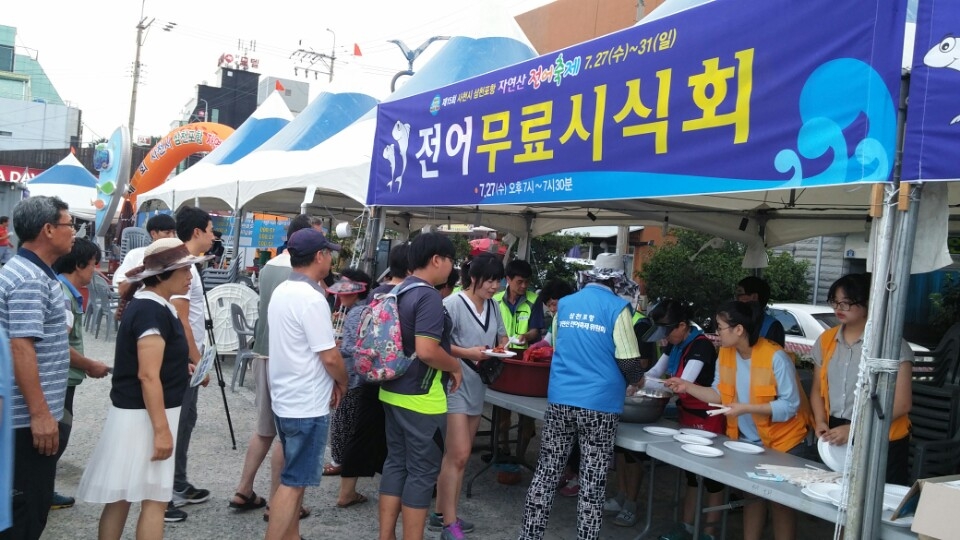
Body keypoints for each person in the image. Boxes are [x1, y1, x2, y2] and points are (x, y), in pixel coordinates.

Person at [77, 238, 209, 540]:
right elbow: (148, 375)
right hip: (147, 416)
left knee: (123, 495)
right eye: (184, 270)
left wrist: (180, 366)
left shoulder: (153, 305)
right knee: (154, 499)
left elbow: (154, 365)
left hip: (139, 413)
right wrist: (162, 430)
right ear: (163, 275)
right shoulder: (152, 309)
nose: (190, 276)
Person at [665, 301, 812, 540]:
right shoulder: (726, 353)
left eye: (720, 327)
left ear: (739, 330)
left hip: (785, 443)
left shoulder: (776, 357)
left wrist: (746, 408)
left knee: (781, 504)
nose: (716, 333)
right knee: (752, 496)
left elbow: (790, 405)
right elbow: (719, 395)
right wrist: (687, 387)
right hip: (750, 442)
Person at [517, 266, 645, 540]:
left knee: (546, 474)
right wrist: (638, 380)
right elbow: (629, 360)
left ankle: (529, 536)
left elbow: (559, 346)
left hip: (562, 400)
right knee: (592, 483)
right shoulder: (618, 308)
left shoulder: (564, 305)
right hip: (600, 406)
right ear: (615, 282)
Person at [230, 214, 320, 522]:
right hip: (287, 360)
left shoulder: (269, 267)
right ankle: (280, 502)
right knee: (284, 435)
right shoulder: (301, 277)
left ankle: (244, 488)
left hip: (262, 351)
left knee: (264, 429)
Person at [378, 232, 463, 540]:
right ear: (437, 260)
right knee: (423, 473)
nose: (452, 267)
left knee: (396, 464)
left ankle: (385, 536)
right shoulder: (427, 295)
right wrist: (454, 366)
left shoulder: (400, 289)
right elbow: (427, 350)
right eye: (451, 260)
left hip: (392, 388)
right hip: (422, 398)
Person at [0, 196, 74, 540]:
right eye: (69, 224)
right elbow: (21, 347)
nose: (74, 233)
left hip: (20, 416)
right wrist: (41, 415)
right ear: (48, 229)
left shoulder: (25, 270)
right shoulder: (30, 277)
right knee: (26, 512)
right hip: (23, 420)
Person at [266, 228, 348, 540]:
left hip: (286, 397)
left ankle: (291, 536)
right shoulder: (312, 298)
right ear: (319, 256)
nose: (329, 257)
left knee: (294, 477)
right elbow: (330, 356)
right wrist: (344, 381)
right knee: (294, 481)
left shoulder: (283, 291)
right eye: (328, 253)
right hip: (306, 402)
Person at [810, 273, 913, 484]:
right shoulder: (826, 340)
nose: (839, 308)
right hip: (836, 430)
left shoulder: (892, 344)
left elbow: (902, 404)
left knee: (879, 506)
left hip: (881, 433)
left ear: (868, 303)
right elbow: (817, 390)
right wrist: (820, 421)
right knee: (835, 501)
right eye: (835, 302)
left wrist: (855, 429)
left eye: (847, 303)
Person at [433, 253, 507, 539]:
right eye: (489, 280)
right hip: (454, 383)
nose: (494, 286)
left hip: (478, 384)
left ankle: (442, 513)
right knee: (460, 454)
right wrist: (469, 352)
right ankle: (450, 523)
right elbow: (437, 344)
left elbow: (500, 336)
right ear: (473, 278)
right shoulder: (451, 303)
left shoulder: (493, 306)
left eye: (497, 280)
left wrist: (501, 345)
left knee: (457, 456)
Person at [642, 300, 724, 539]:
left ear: (682, 326)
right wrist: (636, 378)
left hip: (709, 417)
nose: (665, 339)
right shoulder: (674, 344)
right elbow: (655, 373)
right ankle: (687, 526)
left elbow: (683, 385)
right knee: (690, 473)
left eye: (668, 332)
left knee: (711, 477)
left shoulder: (700, 346)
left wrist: (645, 384)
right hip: (687, 414)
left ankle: (710, 533)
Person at [50, 238, 111, 510]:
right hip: (59, 381)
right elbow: (59, 344)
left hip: (64, 379)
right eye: (93, 265)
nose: (96, 271)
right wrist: (88, 364)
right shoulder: (62, 296)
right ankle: (41, 493)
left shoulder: (65, 291)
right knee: (56, 436)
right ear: (79, 264)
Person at [166, 206, 215, 521]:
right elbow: (181, 320)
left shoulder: (190, 264)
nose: (213, 236)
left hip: (186, 358)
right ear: (197, 232)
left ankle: (178, 483)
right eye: (210, 229)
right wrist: (197, 361)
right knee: (175, 425)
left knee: (186, 422)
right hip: (182, 361)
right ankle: (164, 494)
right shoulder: (183, 264)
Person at [325, 270, 383, 509]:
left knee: (346, 426)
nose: (341, 294)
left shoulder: (356, 312)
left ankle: (340, 466)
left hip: (356, 379)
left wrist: (333, 348)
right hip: (361, 378)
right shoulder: (363, 310)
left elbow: (353, 347)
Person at [492, 259, 543, 460]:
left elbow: (536, 330)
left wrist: (526, 337)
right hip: (501, 358)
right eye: (519, 282)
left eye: (526, 282)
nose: (523, 286)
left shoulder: (534, 300)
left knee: (526, 413)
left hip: (525, 361)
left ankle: (520, 457)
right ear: (508, 279)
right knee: (501, 410)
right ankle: (502, 450)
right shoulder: (494, 300)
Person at [113, 214, 178, 298]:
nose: (172, 236)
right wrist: (139, 275)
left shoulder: (178, 258)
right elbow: (121, 290)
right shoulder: (135, 255)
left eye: (174, 232)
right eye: (167, 232)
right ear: (153, 234)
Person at [735, 276, 786, 347]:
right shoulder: (735, 320)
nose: (736, 298)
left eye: (740, 293)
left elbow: (774, 355)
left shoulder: (772, 326)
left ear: (754, 297)